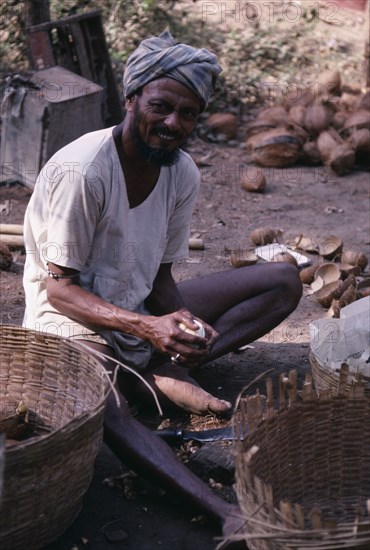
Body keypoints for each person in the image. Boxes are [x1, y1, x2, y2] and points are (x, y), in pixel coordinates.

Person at [23, 31, 302, 542]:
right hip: (68, 322)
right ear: (132, 100)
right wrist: (148, 326)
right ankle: (223, 513)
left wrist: (183, 324)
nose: (173, 124)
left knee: (283, 280)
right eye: (161, 106)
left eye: (189, 114)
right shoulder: (84, 171)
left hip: (136, 308)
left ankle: (158, 369)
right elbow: (58, 289)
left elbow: (161, 278)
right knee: (106, 408)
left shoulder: (181, 172)